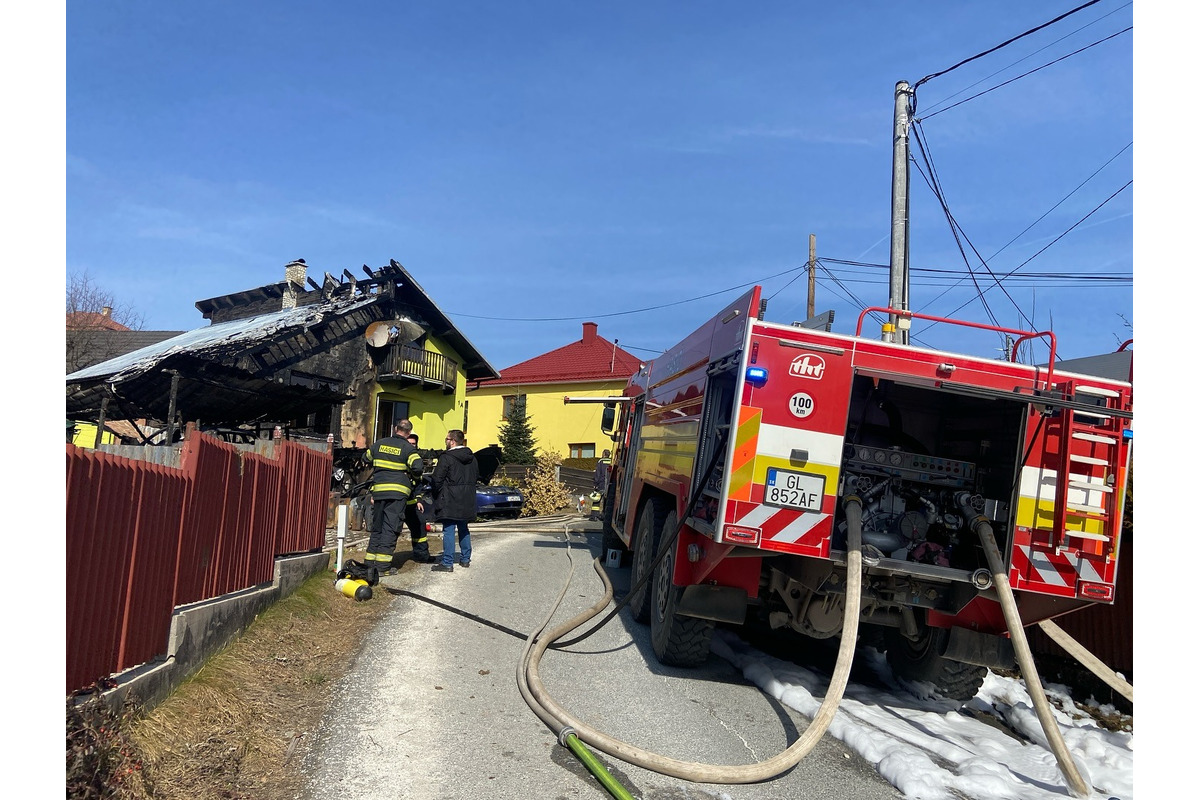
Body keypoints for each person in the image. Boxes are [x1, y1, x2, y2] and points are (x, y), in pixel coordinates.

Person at [362, 419, 424, 576]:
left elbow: (365, 458)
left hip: (379, 492)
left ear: (395, 428)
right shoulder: (408, 448)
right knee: (391, 527)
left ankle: (369, 563)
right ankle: (382, 568)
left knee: (378, 527)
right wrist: (409, 474)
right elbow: (418, 467)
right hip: (397, 493)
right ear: (409, 432)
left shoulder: (379, 444)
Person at [429, 429, 478, 573]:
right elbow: (477, 475)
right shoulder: (472, 458)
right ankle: (465, 559)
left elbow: (437, 478)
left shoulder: (446, 457)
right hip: (467, 497)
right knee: (463, 527)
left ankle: (447, 562)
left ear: (452, 441)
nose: (445, 441)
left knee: (449, 529)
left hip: (450, 496)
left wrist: (436, 492)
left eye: (447, 439)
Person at [403, 432, 433, 563]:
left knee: (420, 525)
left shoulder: (417, 461)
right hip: (397, 502)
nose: (411, 446)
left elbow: (418, 484)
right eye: (409, 443)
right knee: (391, 530)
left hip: (412, 503)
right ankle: (382, 562)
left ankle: (421, 555)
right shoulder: (399, 458)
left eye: (413, 444)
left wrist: (419, 499)